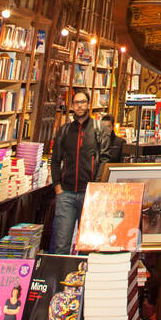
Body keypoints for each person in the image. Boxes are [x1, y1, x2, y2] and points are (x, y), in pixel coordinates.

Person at [49, 90, 111, 254]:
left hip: (89, 194)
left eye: (83, 102)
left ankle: (84, 271)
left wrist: (96, 187)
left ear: (88, 104)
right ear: (72, 106)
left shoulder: (99, 129)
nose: (80, 106)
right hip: (66, 194)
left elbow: (105, 160)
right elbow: (55, 160)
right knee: (61, 244)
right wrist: (57, 187)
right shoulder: (64, 131)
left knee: (88, 245)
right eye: (77, 103)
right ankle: (62, 270)